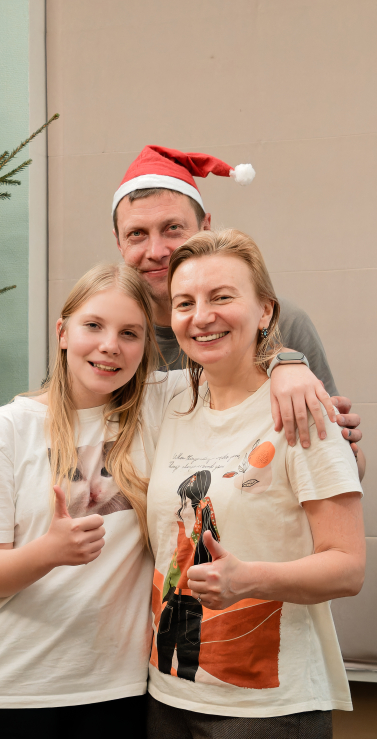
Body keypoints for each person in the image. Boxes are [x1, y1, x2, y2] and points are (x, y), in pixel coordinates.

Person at [0, 264, 333, 739]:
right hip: (6, 689)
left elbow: (236, 355)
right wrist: (50, 551)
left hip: (118, 690)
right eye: (93, 326)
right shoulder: (6, 428)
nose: (110, 345)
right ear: (62, 332)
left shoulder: (164, 403)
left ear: (147, 346)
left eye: (129, 333)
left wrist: (289, 364)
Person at [0, 145, 362, 457]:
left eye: (173, 229)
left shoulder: (279, 323)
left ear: (206, 226)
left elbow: (345, 461)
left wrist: (285, 361)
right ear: (119, 242)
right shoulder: (107, 337)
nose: (157, 251)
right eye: (137, 235)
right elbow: (58, 417)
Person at [146, 229, 365, 739]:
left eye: (222, 297)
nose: (202, 316)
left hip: (268, 706)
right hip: (167, 692)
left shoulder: (303, 410)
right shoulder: (168, 403)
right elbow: (83, 390)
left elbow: (348, 568)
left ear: (266, 311)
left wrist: (248, 580)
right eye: (185, 303)